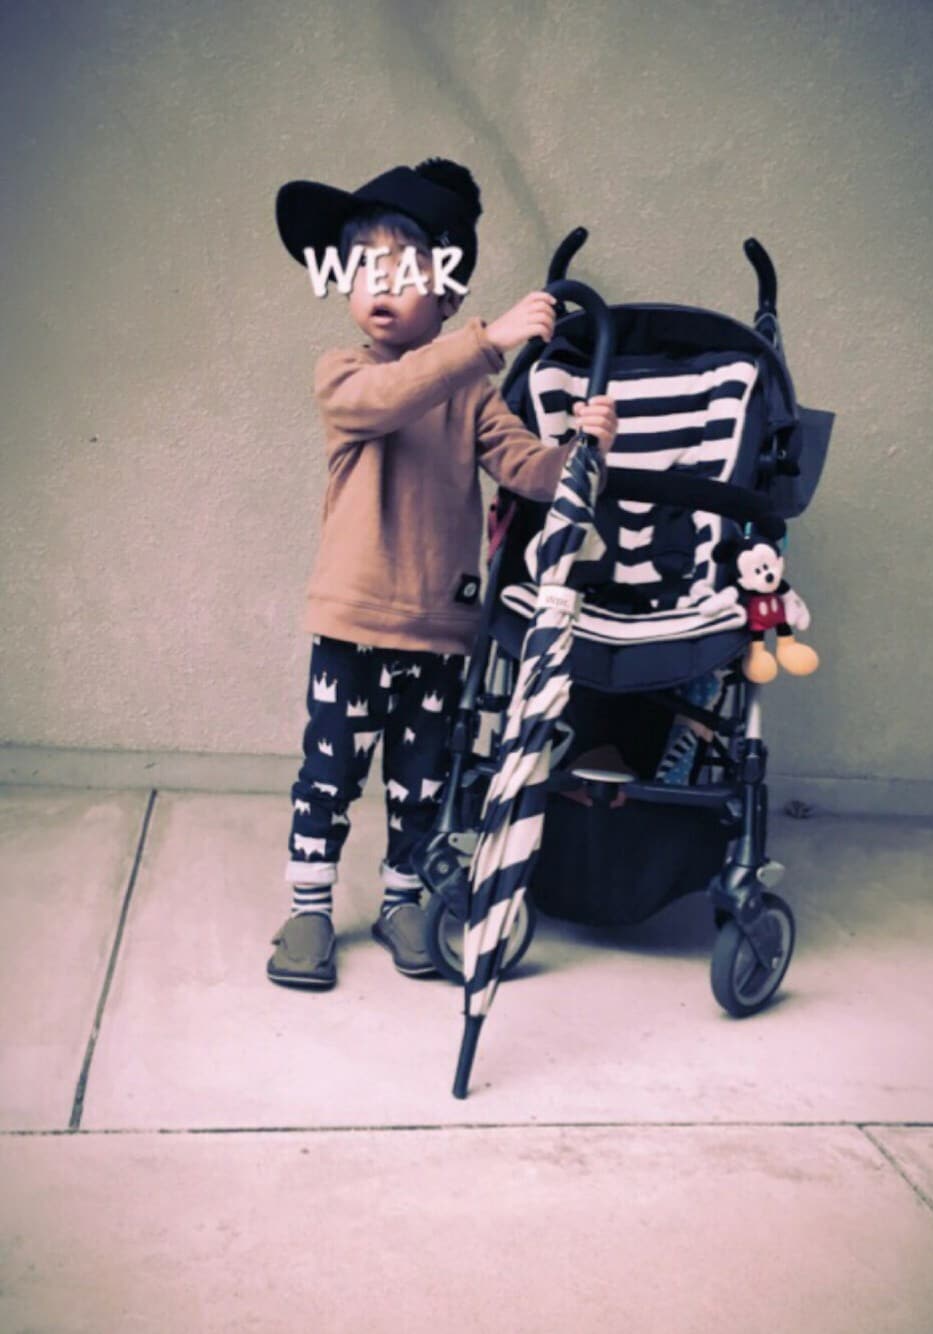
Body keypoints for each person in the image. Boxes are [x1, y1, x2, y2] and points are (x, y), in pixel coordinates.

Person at [268, 157, 618, 989]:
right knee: (330, 775)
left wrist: (587, 451)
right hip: (353, 625)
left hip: (440, 631)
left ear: (449, 295)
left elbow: (529, 471)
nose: (379, 288)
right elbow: (386, 401)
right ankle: (309, 908)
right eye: (363, 271)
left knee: (421, 783)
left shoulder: (472, 397)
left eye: (404, 271)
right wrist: (487, 344)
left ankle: (402, 900)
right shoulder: (344, 374)